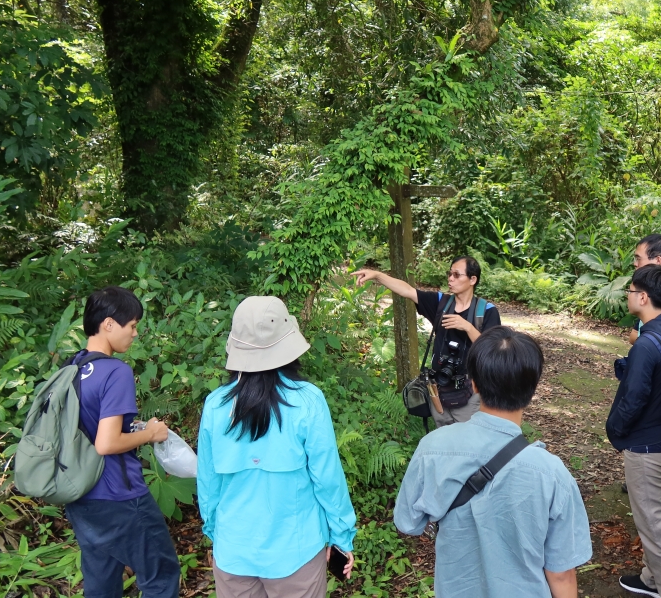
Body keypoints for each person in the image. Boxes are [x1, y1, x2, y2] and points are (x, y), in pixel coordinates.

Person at [394, 326, 592, 598]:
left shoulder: (433, 448)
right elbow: (561, 573)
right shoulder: (553, 473)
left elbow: (408, 522)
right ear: (532, 389)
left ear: (473, 383)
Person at [197, 296, 357, 598]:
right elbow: (327, 479)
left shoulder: (216, 405)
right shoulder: (308, 400)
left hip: (234, 552)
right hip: (297, 552)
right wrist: (341, 537)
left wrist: (217, 533)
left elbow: (208, 483)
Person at [63, 286, 181, 598]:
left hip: (81, 497)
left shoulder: (71, 368)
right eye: (132, 325)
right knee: (161, 576)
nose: (136, 333)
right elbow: (106, 443)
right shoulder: (115, 371)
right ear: (109, 324)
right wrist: (151, 434)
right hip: (120, 497)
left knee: (101, 579)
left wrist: (133, 426)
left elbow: (87, 427)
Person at [607, 265, 661, 598]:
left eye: (630, 291)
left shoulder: (646, 343)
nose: (628, 296)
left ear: (643, 297)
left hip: (647, 449)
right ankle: (653, 579)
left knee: (656, 528)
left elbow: (634, 397)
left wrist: (615, 432)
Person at [352, 256, 500, 426]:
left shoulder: (487, 312)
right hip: (439, 390)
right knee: (442, 444)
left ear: (473, 279)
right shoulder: (441, 303)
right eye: (449, 274)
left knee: (467, 444)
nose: (450, 278)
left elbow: (493, 350)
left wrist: (468, 327)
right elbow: (407, 290)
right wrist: (377, 275)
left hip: (470, 395)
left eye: (457, 275)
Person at [628, 234, 661, 346]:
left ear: (658, 260)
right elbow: (635, 335)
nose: (635, 264)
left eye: (638, 259)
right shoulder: (650, 289)